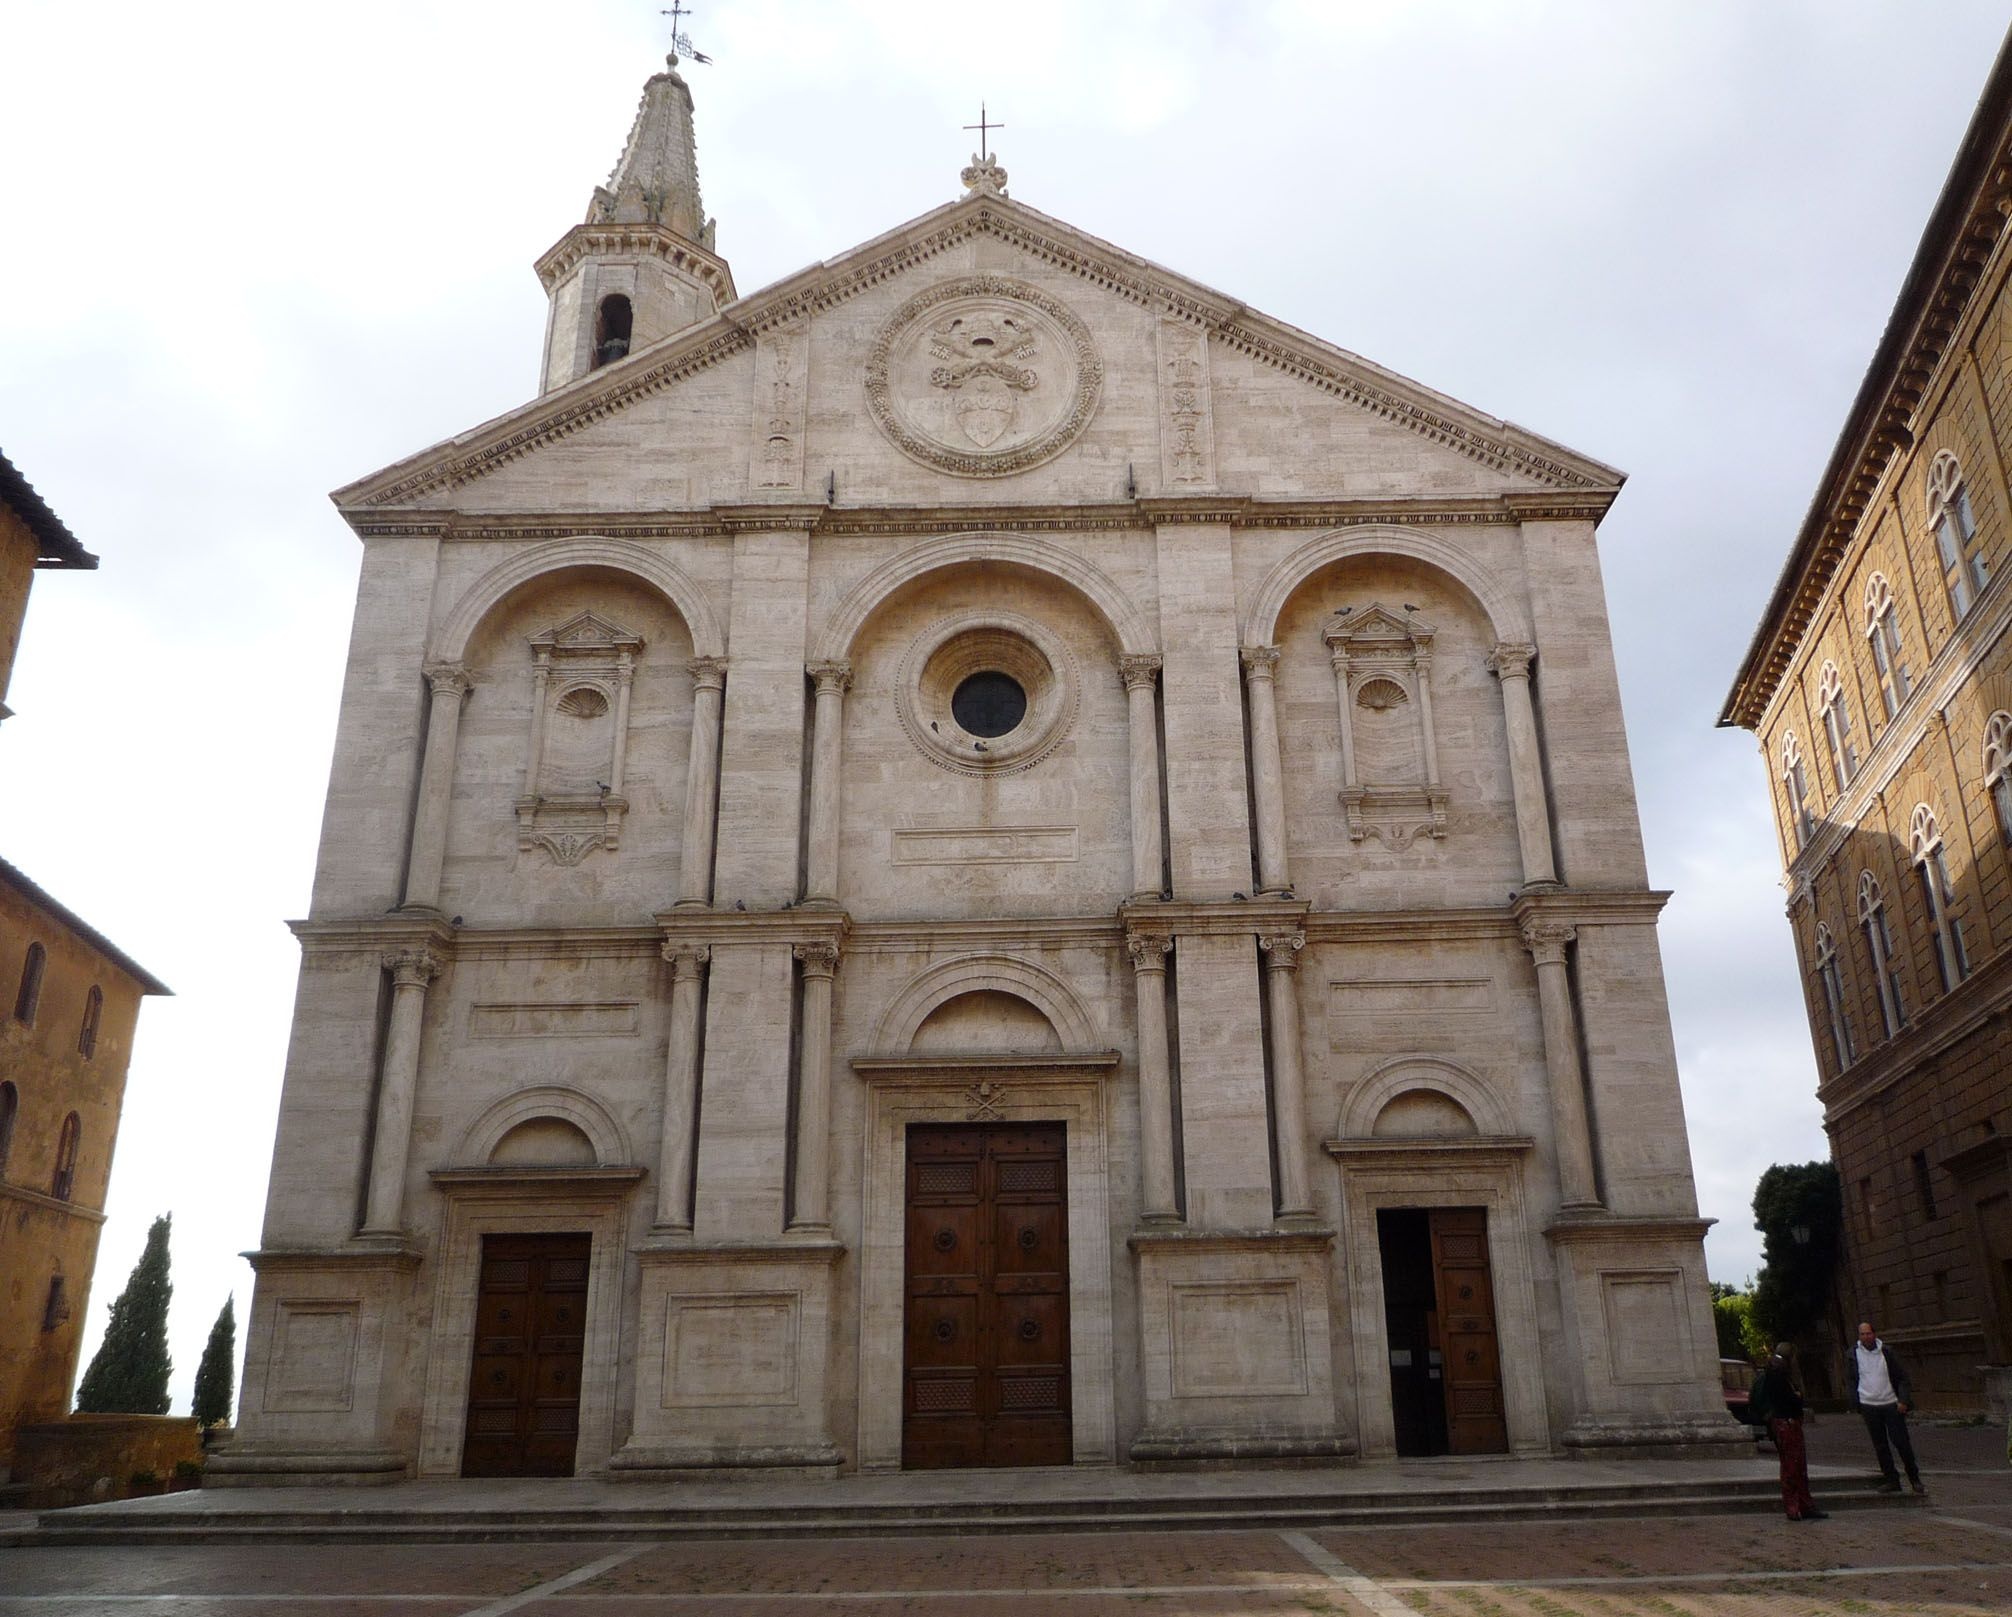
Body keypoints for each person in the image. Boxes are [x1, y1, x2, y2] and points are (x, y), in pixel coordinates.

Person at [1752, 1342, 1826, 1521]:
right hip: (1787, 1422)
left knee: (1795, 1465)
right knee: (1793, 1466)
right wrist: (1797, 1397)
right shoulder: (1779, 1372)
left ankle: (1801, 1505)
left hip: (1785, 1422)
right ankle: (1796, 1506)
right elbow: (1786, 1398)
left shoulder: (1773, 1369)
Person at [1850, 1320, 1923, 1494]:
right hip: (1869, 1404)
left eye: (1869, 1333)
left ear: (1874, 1334)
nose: (1866, 1337)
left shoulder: (1887, 1352)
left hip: (1891, 1403)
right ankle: (1891, 1479)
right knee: (1880, 1445)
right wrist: (1856, 1401)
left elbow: (1902, 1378)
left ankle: (1914, 1478)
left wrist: (1903, 1400)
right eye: (1863, 1334)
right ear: (1859, 1336)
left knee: (1901, 1442)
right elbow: (1851, 1379)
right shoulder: (1852, 1355)